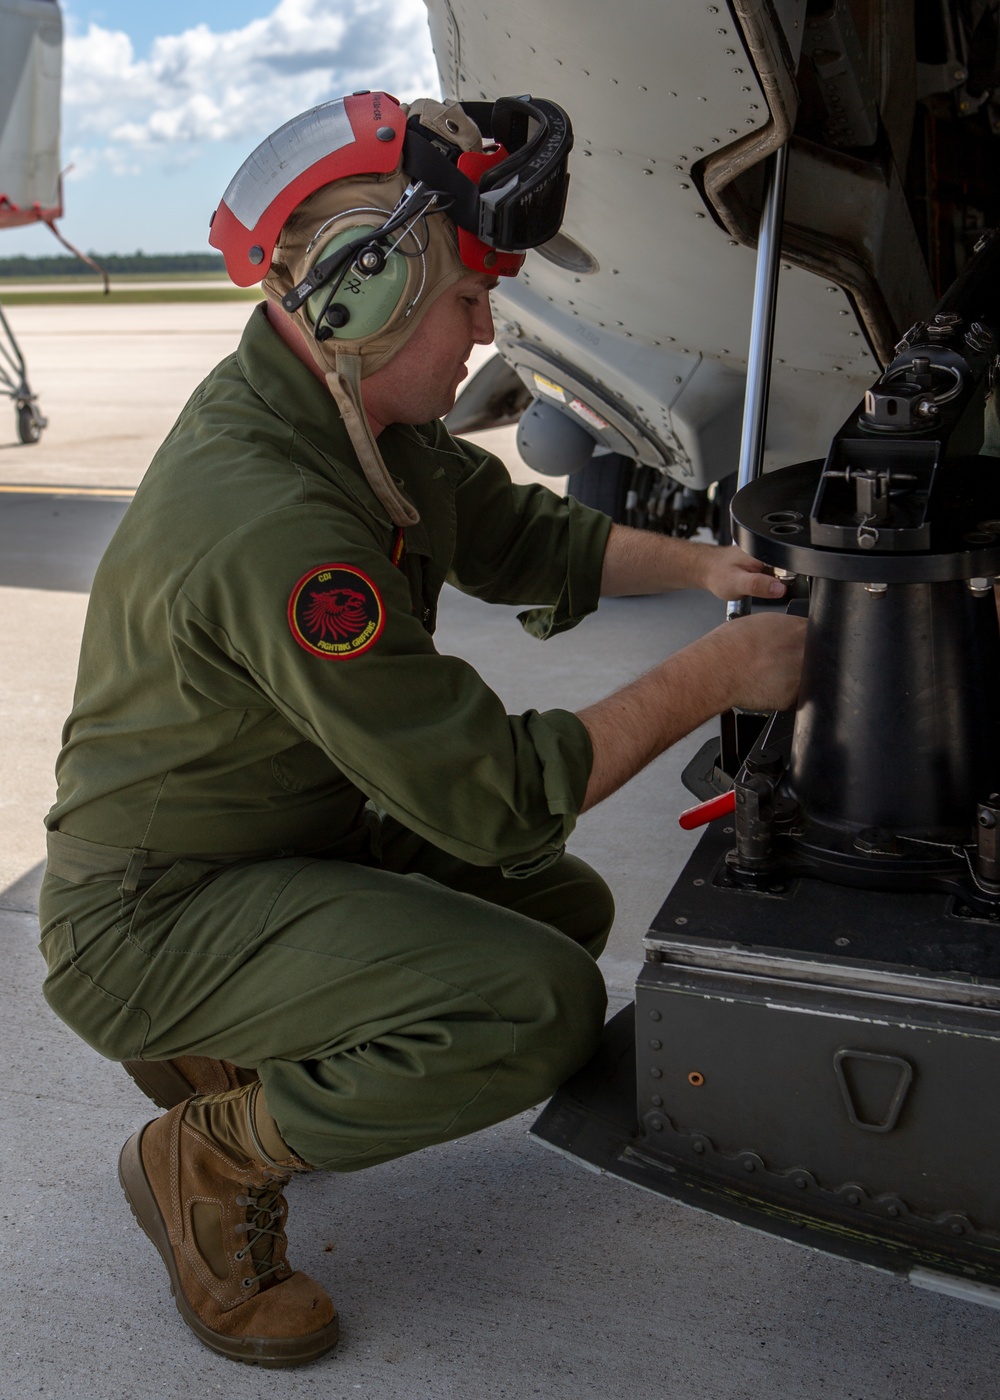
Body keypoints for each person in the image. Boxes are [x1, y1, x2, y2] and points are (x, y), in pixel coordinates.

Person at [38, 92, 805, 1369]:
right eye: (465, 301)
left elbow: (518, 535)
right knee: (532, 1004)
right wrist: (715, 677)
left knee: (551, 902)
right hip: (150, 915)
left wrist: (703, 568)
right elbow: (490, 791)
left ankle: (226, 1048)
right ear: (362, 291)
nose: (481, 333)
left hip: (263, 852)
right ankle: (206, 1156)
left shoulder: (339, 417)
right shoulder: (279, 518)